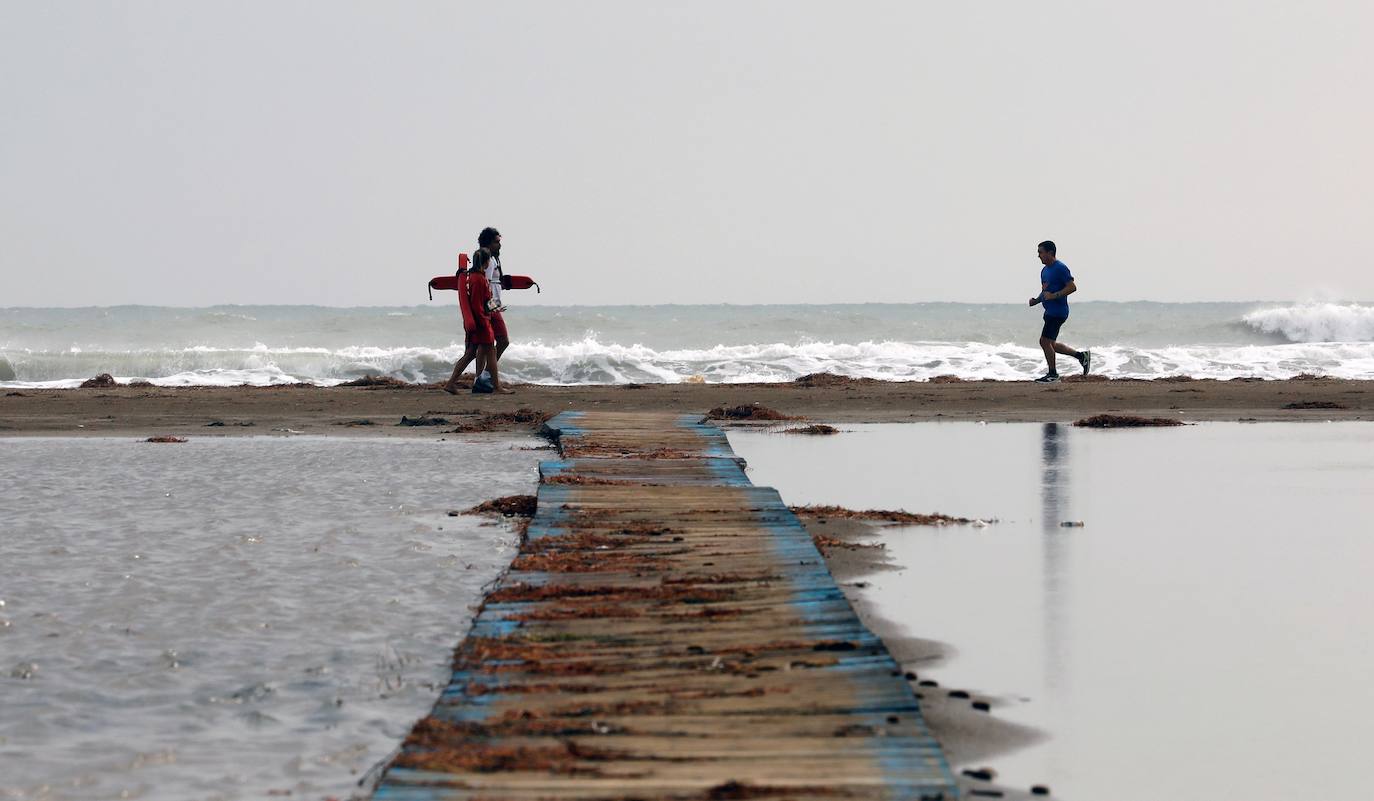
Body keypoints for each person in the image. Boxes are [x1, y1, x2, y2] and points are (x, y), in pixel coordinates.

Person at [442, 247, 513, 395]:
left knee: (470, 354)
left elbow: (485, 301)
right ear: (486, 262)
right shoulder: (479, 279)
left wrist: (495, 308)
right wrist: (485, 322)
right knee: (490, 352)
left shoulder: (473, 277)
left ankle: (450, 384)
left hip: (478, 322)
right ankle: (497, 387)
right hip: (481, 324)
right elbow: (477, 305)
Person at [1028, 240, 1090, 383]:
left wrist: (1055, 296)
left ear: (1050, 253)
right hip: (1049, 311)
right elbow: (1046, 292)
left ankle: (1053, 374)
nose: (1039, 256)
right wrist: (1036, 300)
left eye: (1040, 252)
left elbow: (1072, 287)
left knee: (1044, 341)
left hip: (1058, 312)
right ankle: (1081, 356)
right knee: (1051, 344)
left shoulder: (1060, 268)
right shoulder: (1044, 271)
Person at [478, 227, 511, 366]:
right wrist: (492, 307)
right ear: (489, 243)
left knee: (485, 345)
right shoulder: (490, 261)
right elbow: (485, 285)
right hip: (490, 307)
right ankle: (487, 374)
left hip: (489, 307)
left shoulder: (493, 260)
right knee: (503, 341)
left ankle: (480, 377)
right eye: (497, 242)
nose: (500, 244)